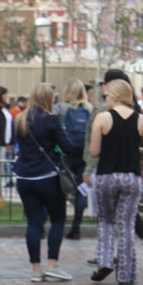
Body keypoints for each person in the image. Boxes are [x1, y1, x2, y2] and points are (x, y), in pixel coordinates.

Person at [88, 80, 143, 285]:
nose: (105, 100)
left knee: (106, 220)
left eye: (106, 96)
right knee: (126, 223)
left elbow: (94, 151)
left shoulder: (103, 118)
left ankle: (105, 260)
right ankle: (126, 273)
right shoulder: (141, 120)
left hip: (107, 175)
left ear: (115, 97)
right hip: (132, 177)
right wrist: (137, 153)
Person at [12, 82, 74, 282]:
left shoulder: (20, 119)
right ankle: (53, 265)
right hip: (47, 176)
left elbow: (16, 144)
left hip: (23, 177)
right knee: (57, 220)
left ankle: (36, 270)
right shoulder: (52, 120)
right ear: (49, 99)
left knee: (34, 223)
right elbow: (66, 147)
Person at [53, 78, 90, 240]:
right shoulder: (89, 109)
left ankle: (58, 224)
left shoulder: (60, 108)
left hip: (64, 154)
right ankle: (76, 226)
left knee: (60, 188)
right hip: (83, 155)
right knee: (81, 190)